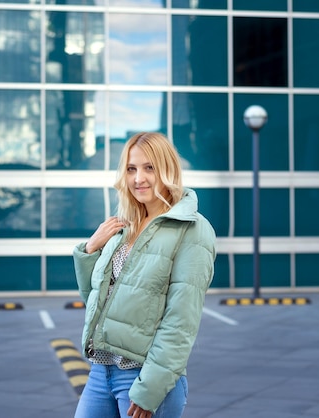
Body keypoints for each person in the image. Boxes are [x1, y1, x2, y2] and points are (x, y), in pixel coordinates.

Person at [72, 132, 216, 418]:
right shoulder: (125, 226)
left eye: (149, 167)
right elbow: (97, 302)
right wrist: (90, 250)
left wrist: (151, 388)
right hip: (101, 372)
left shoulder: (192, 229)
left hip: (143, 376)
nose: (139, 178)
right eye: (131, 169)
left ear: (167, 169)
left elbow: (180, 322)